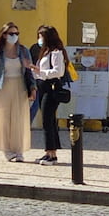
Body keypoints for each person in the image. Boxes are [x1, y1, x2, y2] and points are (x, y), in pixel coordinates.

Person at [0, 21, 36, 163]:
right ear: (4, 35)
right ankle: (7, 150)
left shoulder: (23, 50)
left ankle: (19, 151)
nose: (14, 36)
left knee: (19, 119)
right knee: (4, 119)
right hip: (4, 86)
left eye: (16, 33)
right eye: (11, 33)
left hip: (20, 86)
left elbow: (29, 71)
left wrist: (33, 88)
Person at [31, 24, 68, 166]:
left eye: (41, 36)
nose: (39, 39)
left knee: (47, 120)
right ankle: (49, 152)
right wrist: (35, 70)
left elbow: (59, 72)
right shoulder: (44, 52)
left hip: (51, 87)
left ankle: (51, 153)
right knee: (49, 119)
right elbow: (40, 71)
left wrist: (41, 72)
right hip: (42, 86)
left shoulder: (56, 52)